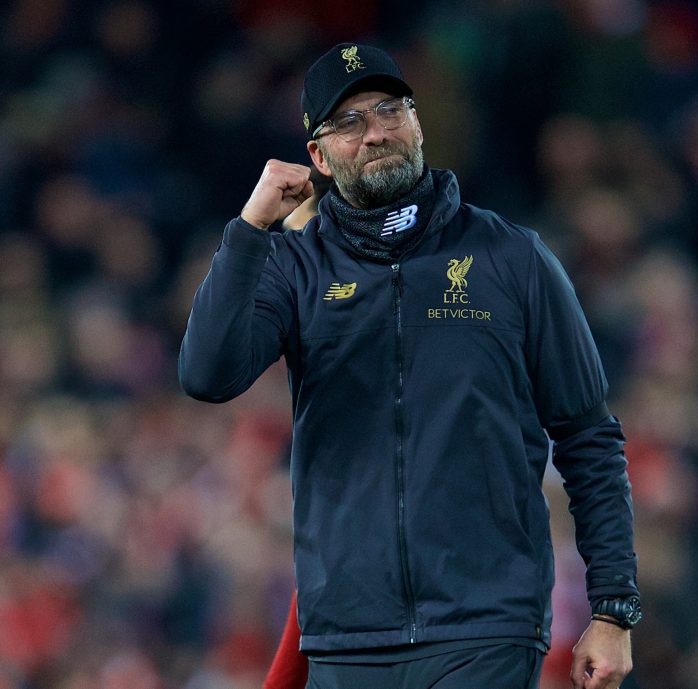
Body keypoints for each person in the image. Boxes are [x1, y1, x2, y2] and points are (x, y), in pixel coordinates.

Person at [179, 42, 640, 689]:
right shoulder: (295, 266)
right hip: (346, 632)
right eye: (348, 122)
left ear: (417, 122)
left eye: (389, 110)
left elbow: (589, 436)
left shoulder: (512, 257)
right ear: (317, 154)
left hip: (484, 626)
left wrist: (613, 607)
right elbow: (207, 374)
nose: (375, 133)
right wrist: (252, 228)